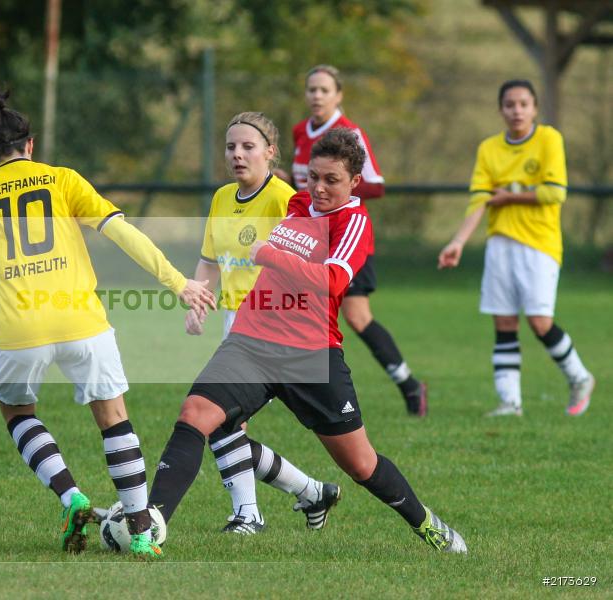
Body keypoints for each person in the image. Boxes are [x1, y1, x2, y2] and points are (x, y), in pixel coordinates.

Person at [0, 90, 217, 558]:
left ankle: (72, 498)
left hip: (18, 330)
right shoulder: (63, 180)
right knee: (113, 417)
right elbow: (122, 231)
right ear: (30, 146)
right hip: (81, 321)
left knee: (18, 415)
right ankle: (141, 530)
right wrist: (178, 283)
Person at [149, 128, 467, 553]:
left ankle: (426, 523)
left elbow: (333, 281)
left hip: (310, 356)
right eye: (314, 177)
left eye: (331, 180)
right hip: (251, 340)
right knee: (196, 414)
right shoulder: (297, 204)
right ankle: (149, 525)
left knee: (361, 464)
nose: (319, 188)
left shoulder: (353, 222)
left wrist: (268, 254)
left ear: (355, 182)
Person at [187, 111, 340, 534]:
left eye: (248, 147)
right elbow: (209, 259)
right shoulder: (221, 198)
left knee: (221, 417)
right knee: (224, 420)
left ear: (271, 153)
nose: (238, 154)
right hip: (236, 323)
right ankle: (310, 491)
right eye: (231, 147)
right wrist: (199, 299)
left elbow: (311, 264)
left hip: (276, 326)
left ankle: (249, 514)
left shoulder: (286, 199)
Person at [438, 79, 594, 417]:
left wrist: (509, 196)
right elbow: (479, 199)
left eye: (524, 104)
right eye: (510, 104)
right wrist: (458, 241)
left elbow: (555, 192)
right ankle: (510, 402)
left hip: (539, 243)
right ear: (501, 110)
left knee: (539, 321)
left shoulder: (549, 139)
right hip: (500, 245)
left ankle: (580, 377)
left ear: (535, 108)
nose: (517, 110)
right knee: (504, 322)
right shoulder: (488, 149)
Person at [285, 64, 427, 416]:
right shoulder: (301, 131)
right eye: (311, 89)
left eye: (324, 90)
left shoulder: (349, 133)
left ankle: (409, 385)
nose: (316, 96)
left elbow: (375, 185)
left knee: (358, 317)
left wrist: (336, 183)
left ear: (339, 95)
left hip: (345, 238)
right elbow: (304, 186)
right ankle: (283, 387)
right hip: (310, 238)